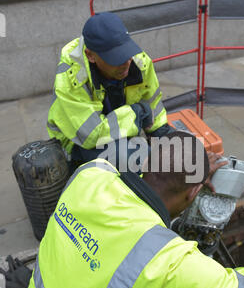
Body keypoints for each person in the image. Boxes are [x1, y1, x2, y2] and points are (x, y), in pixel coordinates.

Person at [24, 131, 244, 288]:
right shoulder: (166, 264)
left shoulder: (89, 175)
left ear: (146, 163)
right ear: (195, 192)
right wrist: (238, 277)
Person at [47, 12, 174, 172]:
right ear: (90, 56)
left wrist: (169, 142)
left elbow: (154, 111)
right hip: (77, 143)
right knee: (140, 164)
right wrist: (137, 112)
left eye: (126, 53)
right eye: (115, 58)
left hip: (117, 131)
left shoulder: (140, 62)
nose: (126, 62)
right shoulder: (71, 77)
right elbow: (92, 135)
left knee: (175, 153)